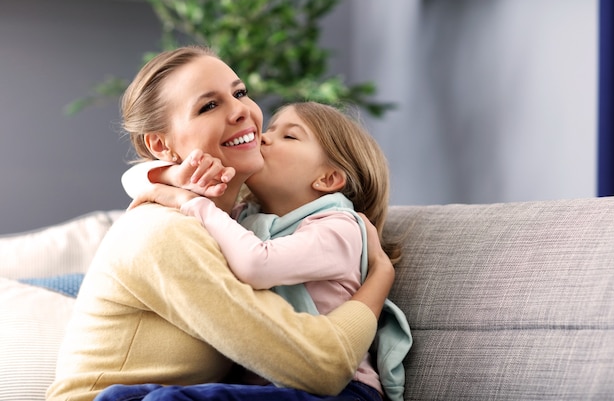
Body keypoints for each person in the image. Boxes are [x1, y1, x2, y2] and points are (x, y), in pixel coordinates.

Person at [46, 46, 396, 401]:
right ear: (160, 145)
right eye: (208, 106)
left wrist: (174, 177)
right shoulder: (168, 231)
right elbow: (322, 369)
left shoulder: (234, 221)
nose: (242, 111)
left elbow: (141, 180)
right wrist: (379, 277)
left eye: (240, 93)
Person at [119, 102, 412, 401]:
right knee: (118, 396)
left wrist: (191, 202)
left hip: (343, 391)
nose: (263, 137)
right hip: (269, 384)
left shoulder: (340, 228)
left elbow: (257, 265)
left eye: (289, 136)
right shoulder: (246, 217)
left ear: (327, 179)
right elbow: (132, 178)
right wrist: (177, 178)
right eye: (270, 128)